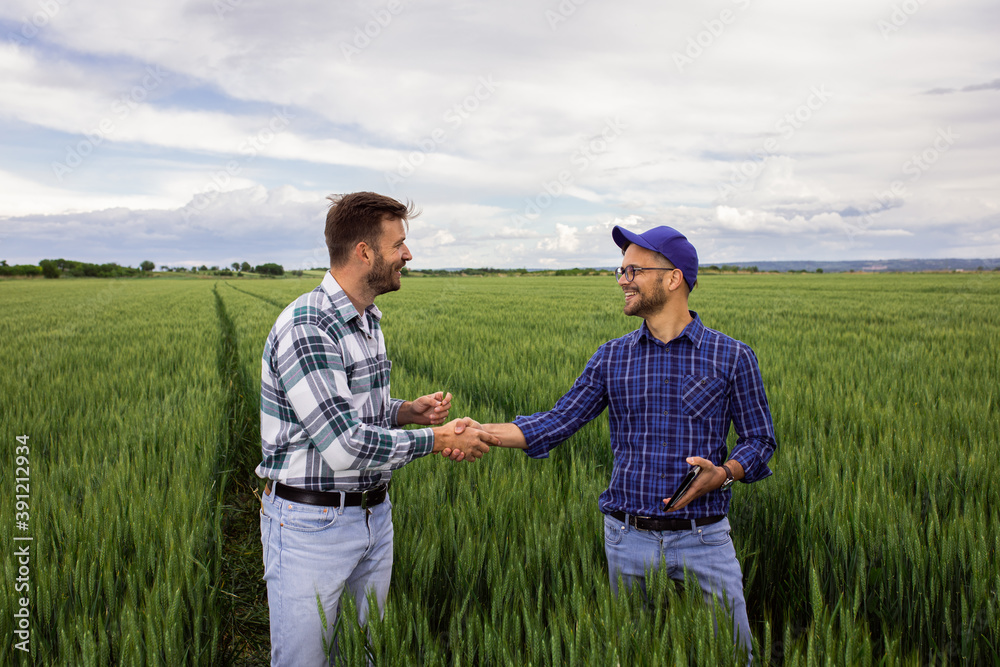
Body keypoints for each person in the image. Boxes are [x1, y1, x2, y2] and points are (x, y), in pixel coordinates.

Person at [448, 224, 776, 661]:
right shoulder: (612, 356)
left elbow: (759, 439)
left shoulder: (732, 355)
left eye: (633, 270)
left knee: (733, 656)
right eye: (620, 271)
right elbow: (558, 421)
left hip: (705, 539)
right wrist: (483, 431)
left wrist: (725, 473)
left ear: (673, 277)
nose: (622, 280)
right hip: (628, 539)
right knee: (634, 654)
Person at [257, 191, 499, 666]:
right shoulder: (310, 325)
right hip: (313, 527)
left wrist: (407, 410)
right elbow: (344, 446)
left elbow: (353, 412)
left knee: (366, 655)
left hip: (372, 516)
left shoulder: (366, 320)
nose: (408, 255)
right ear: (364, 251)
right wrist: (439, 438)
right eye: (399, 244)